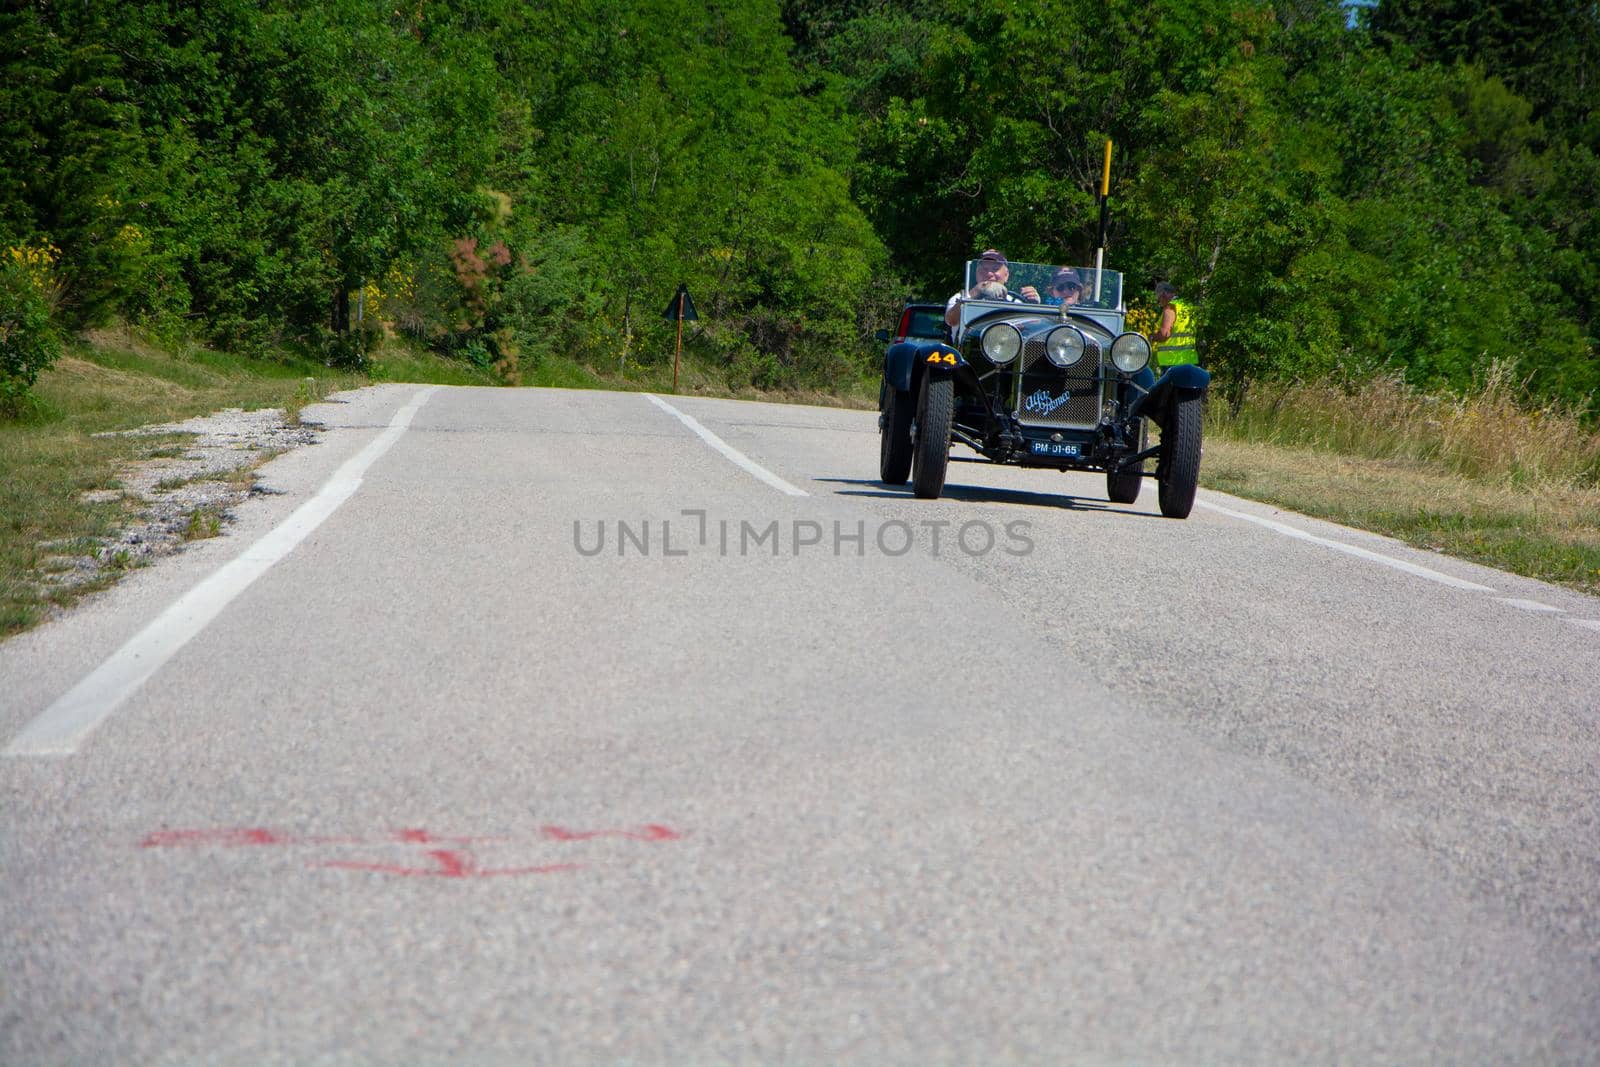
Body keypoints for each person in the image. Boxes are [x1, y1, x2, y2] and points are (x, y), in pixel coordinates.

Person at [944, 249, 1041, 327]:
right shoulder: (961, 297)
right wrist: (977, 290)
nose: (989, 274)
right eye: (984, 269)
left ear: (1006, 275)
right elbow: (951, 320)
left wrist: (1034, 307)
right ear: (976, 273)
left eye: (995, 269)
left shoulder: (1016, 302)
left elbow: (1034, 328)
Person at [1151, 281, 1197, 368]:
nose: (1159, 302)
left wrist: (1151, 337)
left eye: (1159, 298)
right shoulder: (1187, 306)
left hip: (1172, 360)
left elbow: (1164, 334)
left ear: (1164, 294)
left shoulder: (1170, 308)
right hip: (1188, 359)